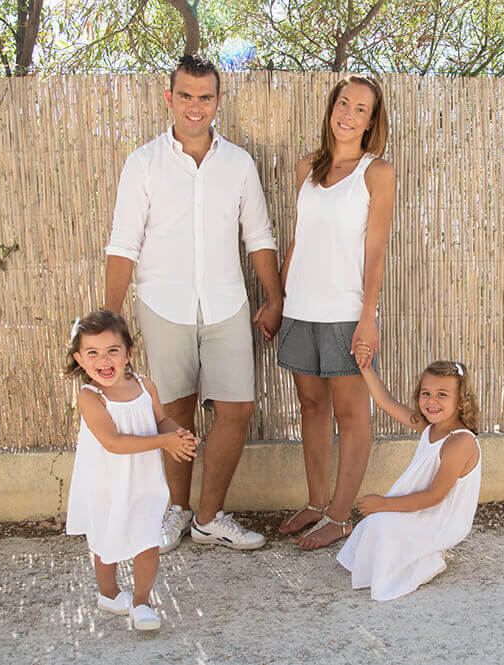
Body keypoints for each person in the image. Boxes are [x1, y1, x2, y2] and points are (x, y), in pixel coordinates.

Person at [104, 54, 284, 553]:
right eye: (185, 95)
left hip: (226, 303)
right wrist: (110, 319)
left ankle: (209, 518)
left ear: (218, 101)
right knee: (175, 412)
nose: (195, 106)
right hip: (164, 304)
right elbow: (123, 244)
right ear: (170, 98)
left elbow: (259, 236)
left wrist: (274, 296)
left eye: (205, 97)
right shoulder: (143, 163)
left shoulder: (238, 162)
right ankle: (176, 512)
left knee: (237, 407)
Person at [276, 75, 396, 550]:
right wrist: (279, 300)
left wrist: (368, 315)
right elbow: (299, 239)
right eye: (343, 103)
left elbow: (377, 249)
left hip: (346, 313)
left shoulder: (377, 173)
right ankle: (316, 501)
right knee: (310, 407)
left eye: (361, 109)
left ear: (370, 122)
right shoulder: (306, 167)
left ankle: (341, 517)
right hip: (300, 309)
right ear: (331, 108)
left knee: (350, 415)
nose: (348, 113)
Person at [64, 310, 199, 630]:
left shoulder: (144, 385)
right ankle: (109, 594)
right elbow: (113, 443)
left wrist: (176, 434)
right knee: (106, 542)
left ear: (128, 352)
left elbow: (161, 420)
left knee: (147, 541)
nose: (104, 359)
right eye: (92, 353)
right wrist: (163, 441)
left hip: (144, 482)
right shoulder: (90, 397)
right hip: (106, 484)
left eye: (112, 350)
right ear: (79, 359)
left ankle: (141, 601)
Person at [336, 355, 482, 601]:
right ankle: (410, 553)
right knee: (373, 524)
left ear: (461, 402)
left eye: (442, 395)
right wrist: (366, 368)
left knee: (382, 523)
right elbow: (385, 402)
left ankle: (427, 560)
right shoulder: (429, 427)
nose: (431, 401)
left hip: (442, 519)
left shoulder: (460, 442)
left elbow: (435, 496)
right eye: (426, 393)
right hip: (425, 509)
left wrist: (383, 503)